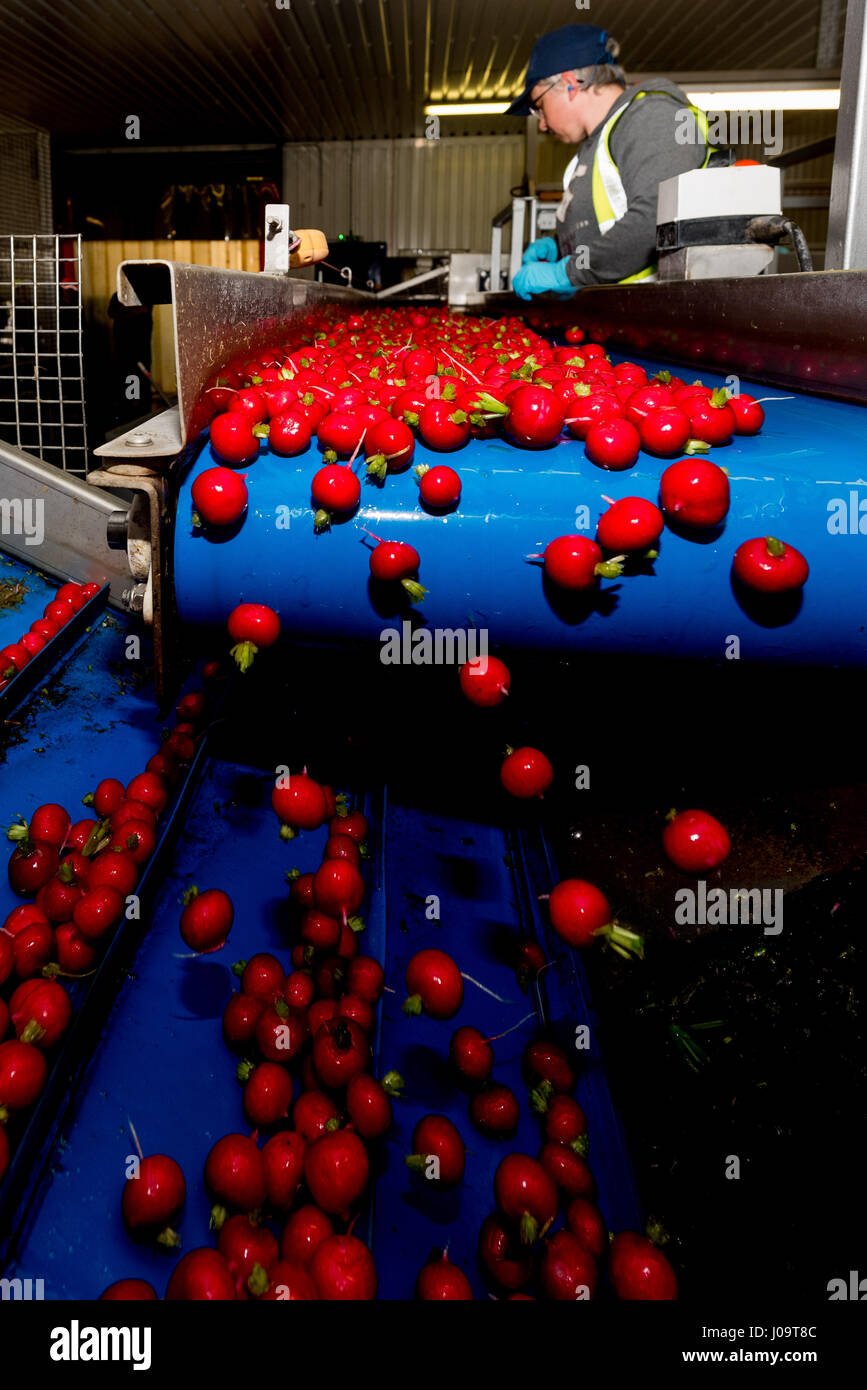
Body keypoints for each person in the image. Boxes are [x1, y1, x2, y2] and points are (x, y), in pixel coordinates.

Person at [508, 24, 711, 298]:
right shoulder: (596, 145)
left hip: (662, 315)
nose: (542, 124)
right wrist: (562, 247)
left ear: (570, 84)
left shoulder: (653, 116)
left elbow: (657, 219)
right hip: (624, 318)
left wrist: (566, 273)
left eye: (539, 107)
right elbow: (611, 222)